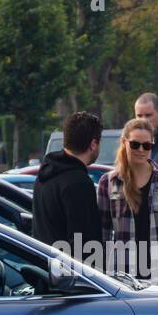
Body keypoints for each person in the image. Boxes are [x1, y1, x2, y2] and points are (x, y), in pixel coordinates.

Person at [96, 118, 158, 284]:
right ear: (124, 143)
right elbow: (102, 235)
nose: (141, 150)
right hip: (122, 277)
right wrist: (100, 276)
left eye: (147, 145)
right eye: (135, 144)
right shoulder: (109, 182)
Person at [33, 111, 103, 260]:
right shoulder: (79, 183)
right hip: (71, 277)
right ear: (93, 144)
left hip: (46, 269)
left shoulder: (44, 174)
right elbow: (85, 243)